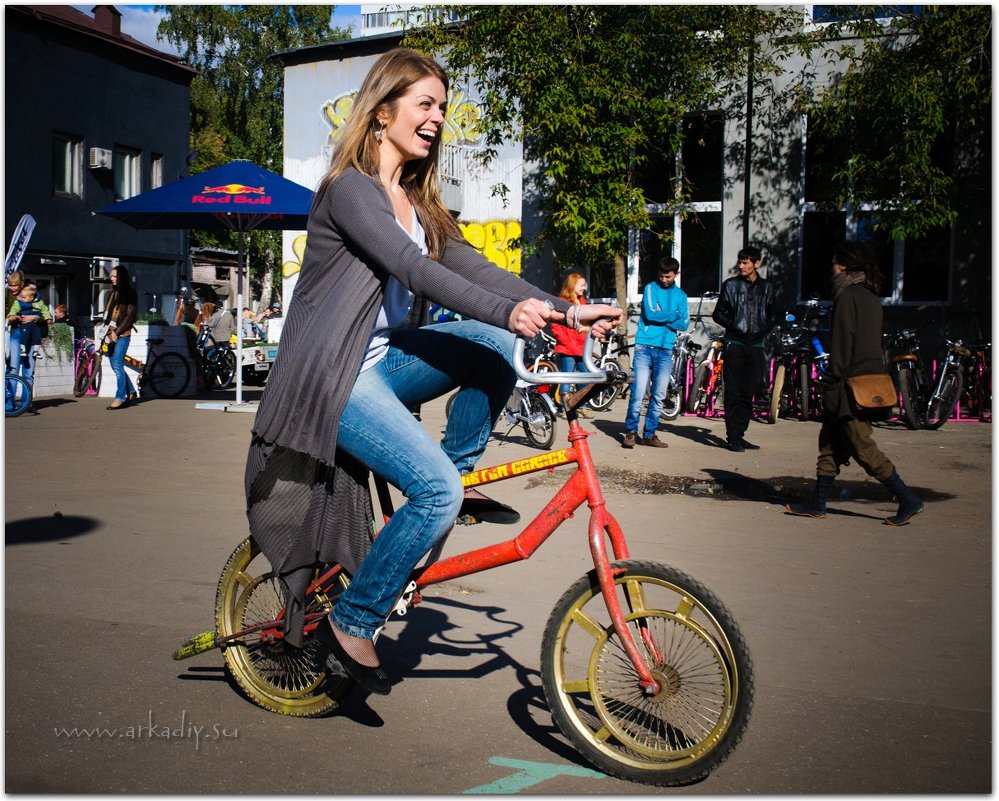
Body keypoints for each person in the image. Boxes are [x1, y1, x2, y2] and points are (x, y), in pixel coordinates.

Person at [245, 47, 621, 696]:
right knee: (436, 490)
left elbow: (475, 269)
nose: (436, 118)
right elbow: (417, 271)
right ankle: (353, 621)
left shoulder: (415, 202)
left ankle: (459, 471)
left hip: (382, 366)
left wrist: (565, 311)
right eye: (424, 104)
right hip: (331, 379)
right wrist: (512, 310)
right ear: (382, 110)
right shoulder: (350, 192)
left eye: (442, 108)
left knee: (487, 345)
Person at [786, 241, 923, 526]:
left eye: (835, 263)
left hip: (850, 384)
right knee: (830, 442)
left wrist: (831, 379)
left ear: (844, 265)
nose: (831, 268)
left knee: (861, 445)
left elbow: (842, 344)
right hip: (869, 379)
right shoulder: (871, 295)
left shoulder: (847, 297)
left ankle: (907, 498)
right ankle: (817, 501)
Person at [712, 245, 779, 451]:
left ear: (756, 264)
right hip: (735, 344)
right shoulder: (731, 285)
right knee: (732, 391)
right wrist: (736, 327)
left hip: (756, 346)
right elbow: (718, 314)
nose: (741, 266)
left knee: (748, 391)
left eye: (745, 262)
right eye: (740, 262)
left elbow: (774, 314)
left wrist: (762, 330)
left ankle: (740, 434)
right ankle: (733, 437)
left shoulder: (767, 287)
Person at [622, 257, 689, 448]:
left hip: (666, 349)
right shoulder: (651, 288)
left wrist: (662, 315)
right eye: (661, 276)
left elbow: (684, 323)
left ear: (676, 275)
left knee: (659, 395)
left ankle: (650, 434)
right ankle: (631, 432)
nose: (663, 280)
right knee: (638, 392)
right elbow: (650, 315)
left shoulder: (681, 296)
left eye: (667, 276)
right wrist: (673, 315)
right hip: (644, 347)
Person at [549, 272, 593, 418]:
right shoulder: (561, 302)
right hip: (567, 347)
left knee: (586, 377)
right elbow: (556, 326)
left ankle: (580, 405)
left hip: (581, 347)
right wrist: (565, 340)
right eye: (581, 285)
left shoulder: (583, 301)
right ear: (573, 285)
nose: (584, 288)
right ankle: (564, 407)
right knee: (567, 378)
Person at [103, 265, 138, 410]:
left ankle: (120, 397)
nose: (111, 278)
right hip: (110, 332)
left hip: (122, 334)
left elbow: (130, 316)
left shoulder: (129, 293)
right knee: (114, 364)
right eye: (111, 276)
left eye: (114, 276)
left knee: (117, 364)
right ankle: (130, 391)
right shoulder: (112, 293)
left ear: (122, 277)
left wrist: (117, 332)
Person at [6, 282, 52, 384]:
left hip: (32, 335)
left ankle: (26, 399)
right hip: (17, 333)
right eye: (11, 286)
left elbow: (45, 313)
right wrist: (13, 316)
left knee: (28, 372)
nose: (12, 288)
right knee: (13, 369)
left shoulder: (38, 301)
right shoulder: (12, 298)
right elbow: (10, 313)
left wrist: (35, 317)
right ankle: (9, 399)